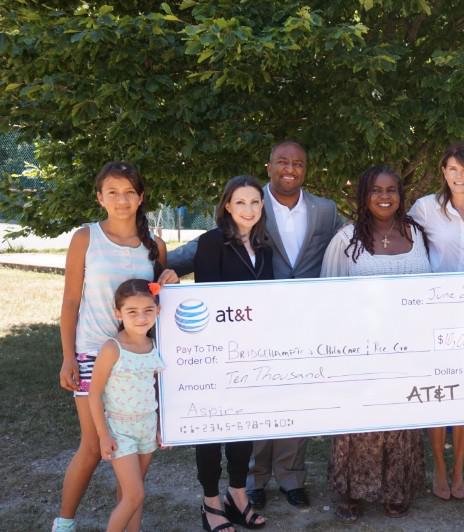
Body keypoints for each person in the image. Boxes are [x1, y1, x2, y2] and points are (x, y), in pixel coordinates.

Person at [168, 141, 342, 510]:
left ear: (306, 168)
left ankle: (292, 477)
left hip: (305, 324)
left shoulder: (326, 210)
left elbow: (351, 241)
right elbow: (197, 252)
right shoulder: (249, 200)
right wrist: (155, 264)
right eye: (282, 162)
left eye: (298, 162)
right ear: (269, 167)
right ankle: (253, 479)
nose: (290, 168)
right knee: (257, 401)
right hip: (253, 329)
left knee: (296, 400)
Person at [53, 162, 178, 532]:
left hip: (136, 357)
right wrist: (67, 357)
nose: (121, 200)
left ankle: (126, 518)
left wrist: (167, 278)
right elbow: (70, 301)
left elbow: (152, 300)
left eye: (129, 192)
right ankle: (64, 522)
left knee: (132, 448)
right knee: (93, 445)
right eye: (112, 192)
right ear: (100, 197)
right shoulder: (86, 238)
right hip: (92, 352)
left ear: (141, 197)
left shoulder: (154, 246)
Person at [320, 165, 430, 522]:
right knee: (358, 421)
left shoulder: (416, 234)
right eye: (376, 190)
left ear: (401, 195)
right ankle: (350, 492)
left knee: (399, 421)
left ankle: (397, 491)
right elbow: (328, 291)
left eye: (391, 190)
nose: (385, 197)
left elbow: (430, 289)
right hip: (358, 350)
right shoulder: (346, 239)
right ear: (364, 196)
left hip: (406, 350)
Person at [408, 142, 464, 501]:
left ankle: (460, 468)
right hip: (433, 313)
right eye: (452, 168)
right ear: (444, 172)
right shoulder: (425, 208)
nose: (458, 175)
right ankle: (440, 469)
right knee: (437, 394)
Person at [193, 175, 272, 531]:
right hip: (217, 353)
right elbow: (209, 301)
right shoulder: (211, 243)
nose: (248, 209)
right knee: (212, 428)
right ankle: (210, 500)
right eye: (240, 202)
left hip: (252, 352)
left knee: (244, 424)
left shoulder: (265, 245)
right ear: (227, 205)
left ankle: (237, 493)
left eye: (255, 202)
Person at [87, 279, 164, 532]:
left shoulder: (154, 345)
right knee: (135, 495)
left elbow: (156, 390)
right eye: (132, 312)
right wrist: (103, 435)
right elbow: (94, 394)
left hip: (147, 426)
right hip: (120, 429)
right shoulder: (112, 349)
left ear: (157, 310)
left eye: (148, 310)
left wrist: (162, 426)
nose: (141, 318)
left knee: (133, 491)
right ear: (118, 313)